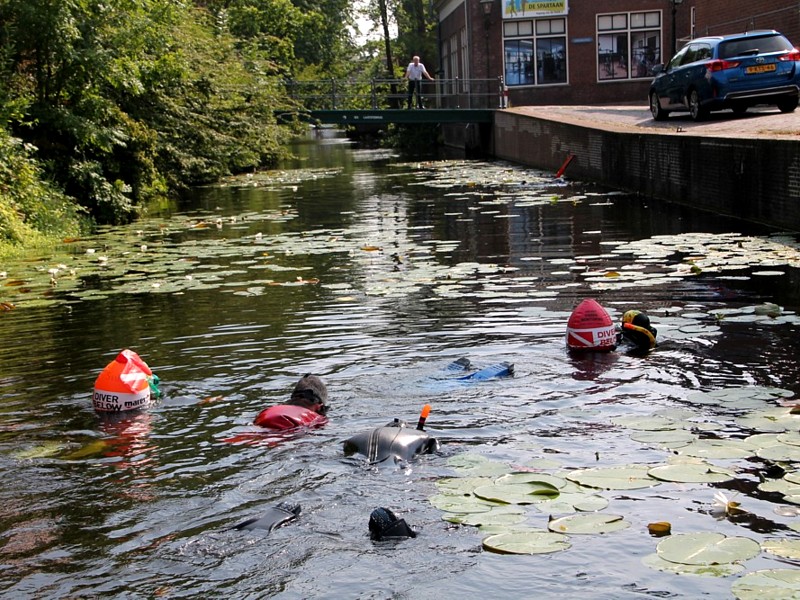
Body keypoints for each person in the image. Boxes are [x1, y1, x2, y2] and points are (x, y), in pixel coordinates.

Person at [253, 374, 329, 430]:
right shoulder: (318, 419)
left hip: (257, 427)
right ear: (320, 406)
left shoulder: (271, 409)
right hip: (287, 434)